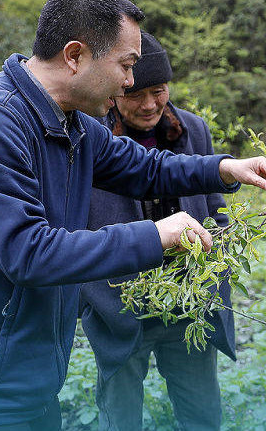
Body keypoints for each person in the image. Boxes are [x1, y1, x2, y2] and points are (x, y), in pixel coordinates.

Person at [0, 0, 266, 430]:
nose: (131, 82)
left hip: (22, 378)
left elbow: (143, 168)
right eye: (126, 65)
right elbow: (28, 252)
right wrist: (155, 235)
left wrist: (225, 167)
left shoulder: (68, 122)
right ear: (75, 56)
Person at [80, 31, 233, 430]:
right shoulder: (90, 137)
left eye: (159, 91)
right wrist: (90, 299)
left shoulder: (192, 130)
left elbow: (214, 205)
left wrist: (218, 242)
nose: (150, 105)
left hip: (188, 303)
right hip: (120, 304)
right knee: (120, 414)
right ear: (118, 87)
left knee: (202, 411)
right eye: (137, 94)